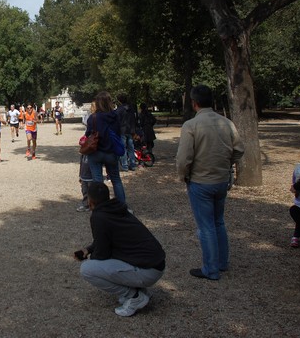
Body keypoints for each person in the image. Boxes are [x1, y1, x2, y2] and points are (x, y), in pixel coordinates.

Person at [176, 84, 244, 280]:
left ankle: (211, 269)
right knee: (218, 222)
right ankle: (222, 262)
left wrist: (183, 175)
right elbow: (239, 149)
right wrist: (227, 163)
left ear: (194, 103)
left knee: (205, 226)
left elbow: (184, 158)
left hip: (200, 181)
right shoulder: (227, 123)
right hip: (221, 179)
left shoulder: (191, 125)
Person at [75, 182, 166, 317]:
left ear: (90, 200)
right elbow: (108, 239)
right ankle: (140, 290)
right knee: (104, 260)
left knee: (87, 269)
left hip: (147, 271)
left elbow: (102, 254)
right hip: (156, 265)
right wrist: (88, 249)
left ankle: (135, 296)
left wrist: (91, 257)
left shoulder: (99, 216)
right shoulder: (117, 208)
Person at [84, 91, 126, 204]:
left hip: (96, 151)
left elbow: (88, 134)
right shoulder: (115, 116)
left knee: (98, 181)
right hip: (111, 151)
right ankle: (122, 205)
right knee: (116, 180)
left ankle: (101, 207)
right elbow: (118, 132)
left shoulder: (93, 118)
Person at [116, 94, 137, 171]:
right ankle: (133, 164)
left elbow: (117, 121)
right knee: (131, 148)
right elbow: (134, 119)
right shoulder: (131, 109)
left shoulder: (119, 110)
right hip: (130, 130)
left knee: (123, 148)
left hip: (122, 130)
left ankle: (125, 165)